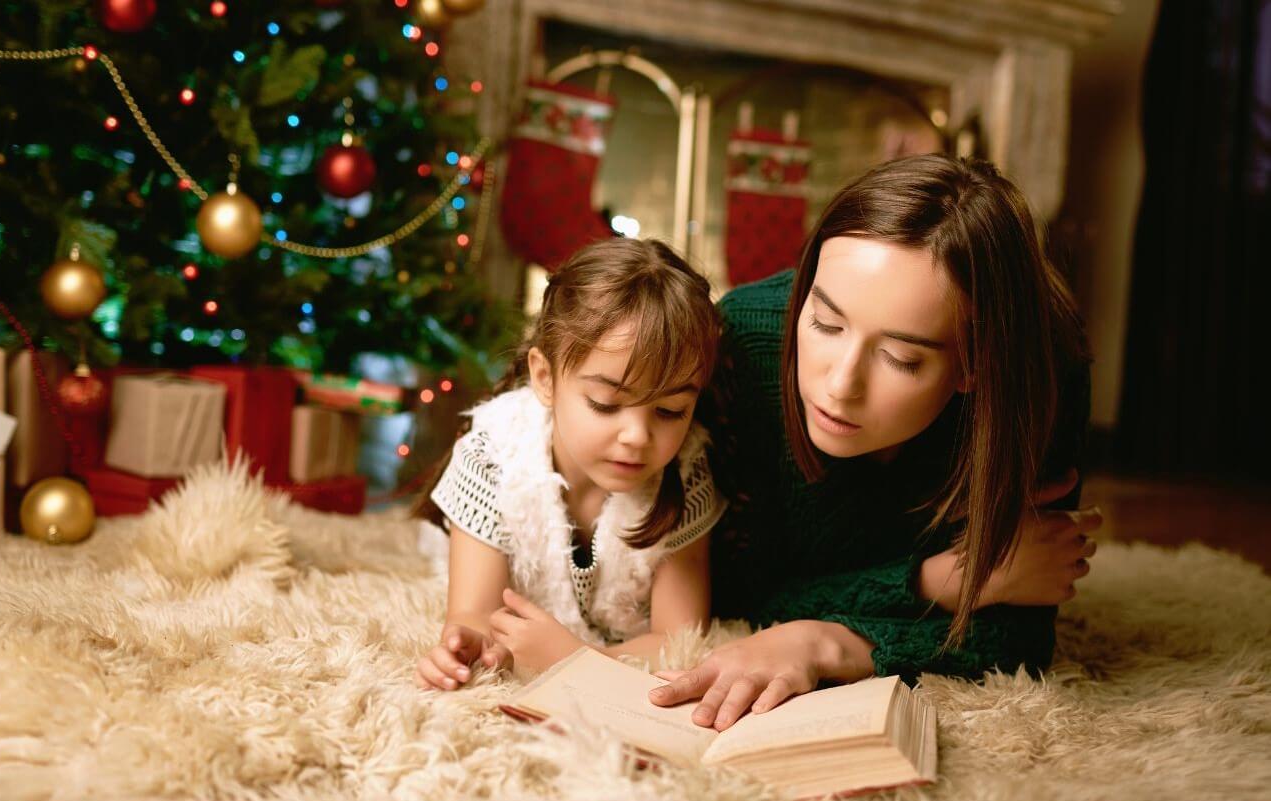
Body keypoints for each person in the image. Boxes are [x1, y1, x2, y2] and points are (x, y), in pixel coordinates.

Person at [649, 154, 1103, 731]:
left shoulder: (1044, 388)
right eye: (825, 323)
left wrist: (830, 643)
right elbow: (732, 600)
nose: (839, 385)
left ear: (974, 367)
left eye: (901, 358)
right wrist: (935, 582)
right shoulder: (741, 342)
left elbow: (1016, 636)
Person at [413, 238, 727, 690]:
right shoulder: (492, 456)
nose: (637, 436)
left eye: (669, 411)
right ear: (545, 378)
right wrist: (467, 649)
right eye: (605, 404)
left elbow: (680, 636)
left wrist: (578, 659)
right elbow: (475, 613)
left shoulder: (686, 469)